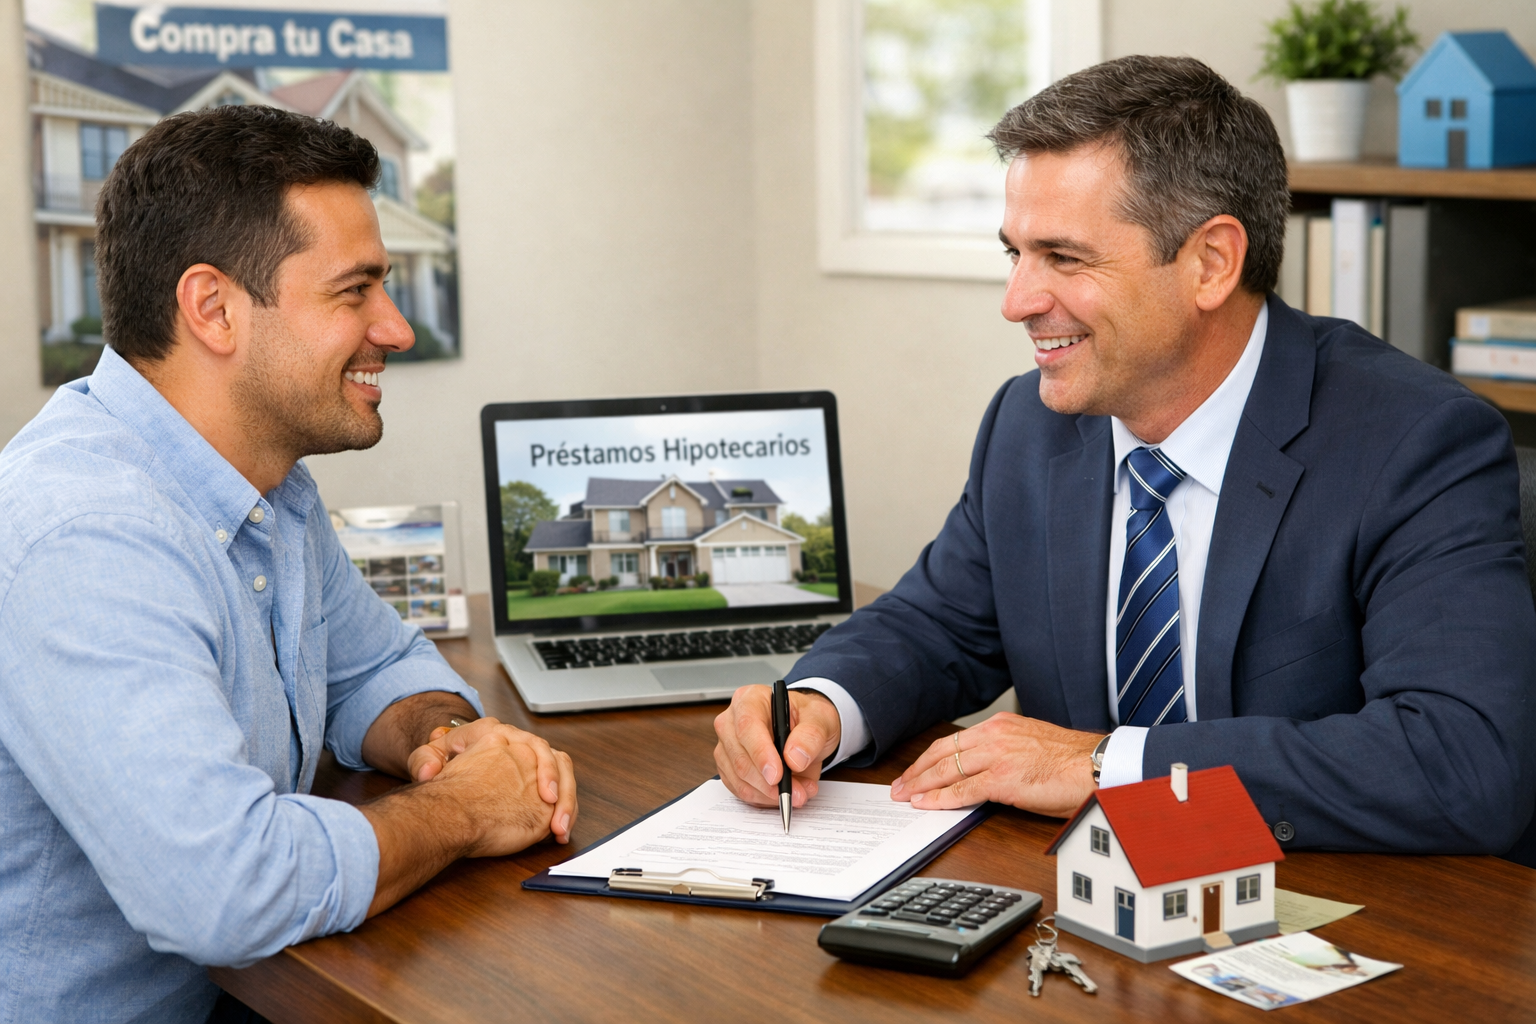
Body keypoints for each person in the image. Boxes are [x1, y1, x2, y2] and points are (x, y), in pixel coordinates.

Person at [714, 56, 1536, 858]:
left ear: (1211, 262)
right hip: (1077, 916)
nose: (1017, 303)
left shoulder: (1416, 441)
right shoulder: (1028, 425)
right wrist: (820, 705)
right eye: (1016, 253)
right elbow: (940, 628)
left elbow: (1461, 761)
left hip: (1336, 929)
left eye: (1064, 258)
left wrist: (1109, 767)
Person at [0, 106, 579, 1024]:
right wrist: (464, 810)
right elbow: (221, 890)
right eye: (355, 293)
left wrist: (442, 738)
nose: (395, 329)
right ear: (213, 308)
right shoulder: (83, 533)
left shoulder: (270, 486)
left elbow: (378, 666)